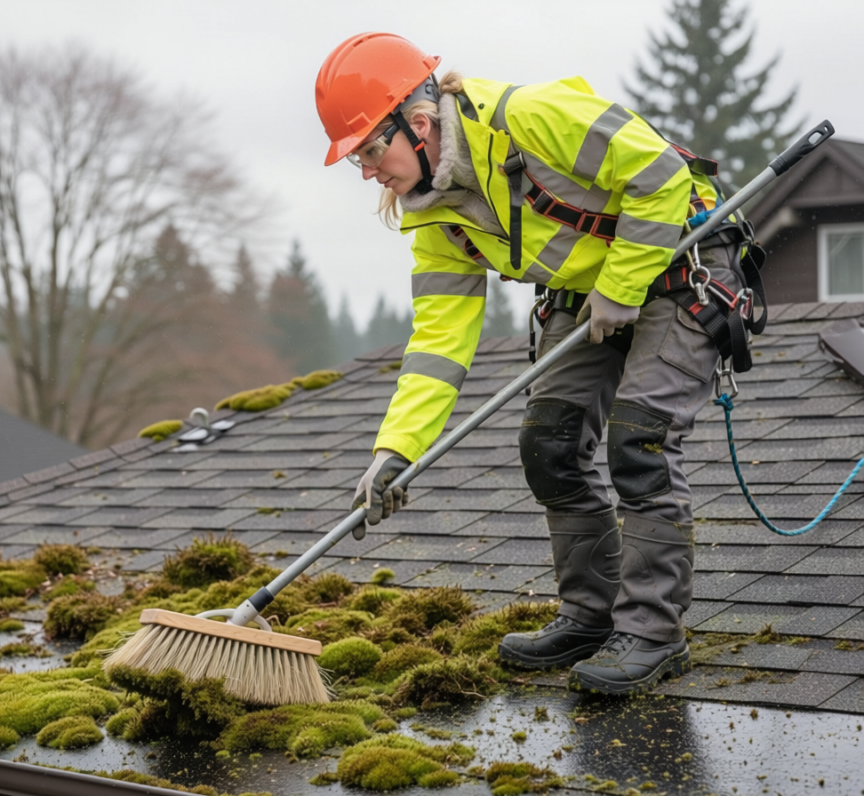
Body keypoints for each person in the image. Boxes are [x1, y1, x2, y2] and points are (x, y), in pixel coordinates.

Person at [316, 32, 750, 695]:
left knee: (641, 442)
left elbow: (660, 177)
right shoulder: (434, 215)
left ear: (420, 123)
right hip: (591, 291)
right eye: (358, 161)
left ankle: (654, 633)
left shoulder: (534, 116)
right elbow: (438, 340)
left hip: (683, 265)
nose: (370, 171)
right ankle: (591, 614)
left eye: (372, 150)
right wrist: (394, 450)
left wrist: (621, 288)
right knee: (548, 442)